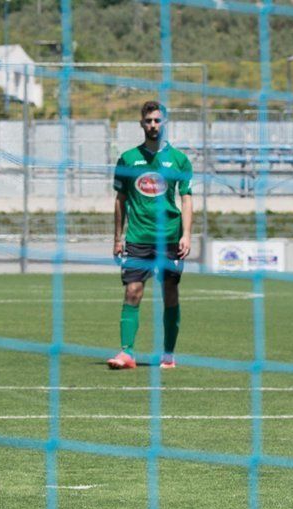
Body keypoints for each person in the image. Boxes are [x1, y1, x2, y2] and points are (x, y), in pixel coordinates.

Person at [110, 101, 193, 370]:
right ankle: (126, 353)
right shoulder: (128, 159)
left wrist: (187, 235)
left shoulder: (179, 159)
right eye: (149, 121)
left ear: (164, 123)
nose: (153, 125)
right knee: (133, 291)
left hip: (170, 237)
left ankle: (168, 354)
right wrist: (117, 237)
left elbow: (187, 199)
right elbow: (120, 200)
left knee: (170, 292)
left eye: (157, 121)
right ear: (141, 124)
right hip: (137, 237)